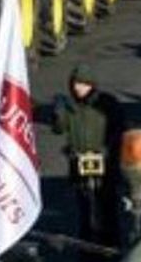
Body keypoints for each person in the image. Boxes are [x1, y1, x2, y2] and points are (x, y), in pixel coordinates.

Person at [50, 62, 124, 247]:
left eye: (83, 84)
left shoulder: (106, 104)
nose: (79, 88)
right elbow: (59, 129)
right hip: (80, 162)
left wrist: (107, 150)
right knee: (85, 204)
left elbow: (119, 129)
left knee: (106, 202)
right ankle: (88, 242)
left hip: (104, 162)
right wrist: (58, 112)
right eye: (75, 84)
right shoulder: (71, 108)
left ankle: (110, 241)